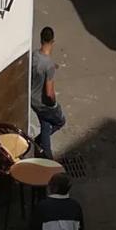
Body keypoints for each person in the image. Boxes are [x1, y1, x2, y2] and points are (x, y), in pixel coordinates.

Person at [30, 27, 66, 160]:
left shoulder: (34, 55)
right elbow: (49, 93)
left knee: (45, 124)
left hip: (32, 100)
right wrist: (54, 105)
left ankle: (42, 148)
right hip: (43, 104)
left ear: (40, 39)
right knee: (60, 121)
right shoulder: (48, 65)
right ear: (53, 41)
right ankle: (45, 152)